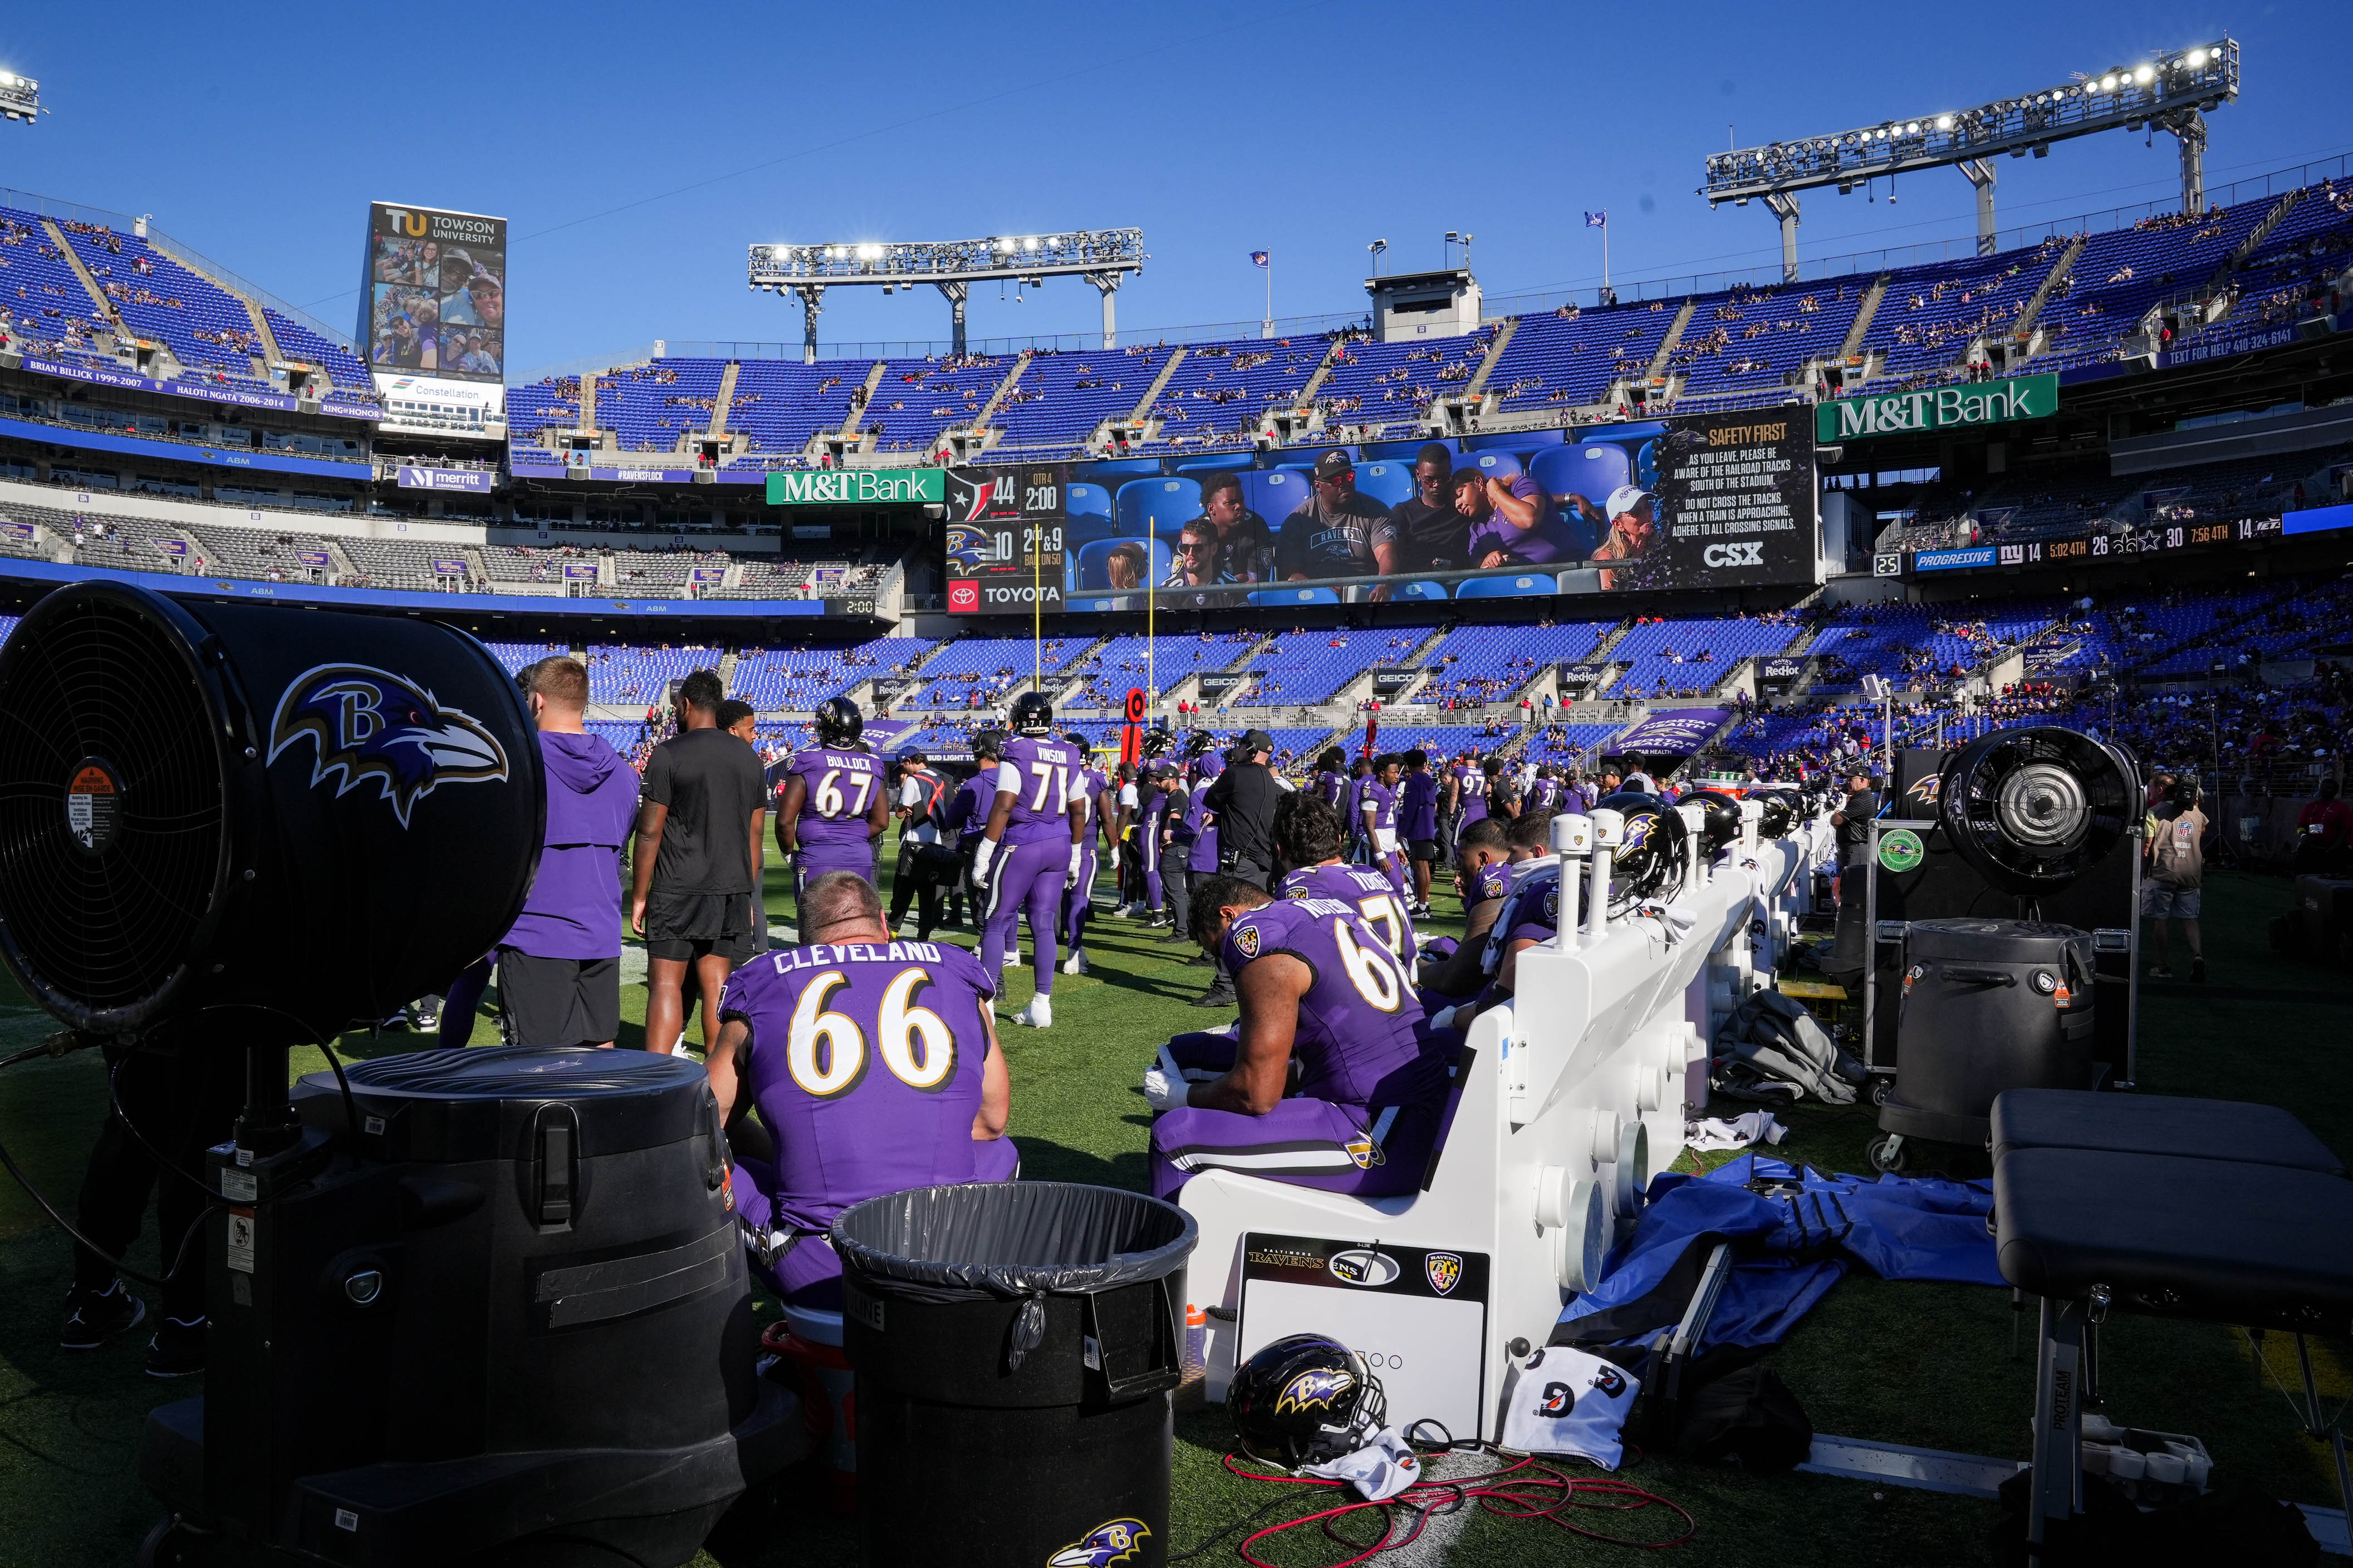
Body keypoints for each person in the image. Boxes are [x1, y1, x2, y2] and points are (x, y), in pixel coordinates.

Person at [707, 872, 1014, 1309]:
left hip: (827, 1260)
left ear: (807, 941)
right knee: (1003, 1152)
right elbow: (991, 1121)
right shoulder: (954, 970)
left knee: (707, 1165)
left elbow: (701, 1121)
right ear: (884, 924)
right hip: (952, 1247)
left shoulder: (765, 982)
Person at [1142, 874, 1444, 1199]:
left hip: (1385, 1125)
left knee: (1174, 1139)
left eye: (1217, 947)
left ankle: (1166, 1246)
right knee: (1182, 1057)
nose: (1223, 959)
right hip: (1395, 1093)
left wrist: (1180, 1096)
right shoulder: (1325, 909)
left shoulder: (1255, 934)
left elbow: (1256, 1095)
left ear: (1228, 916)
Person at [60, 1020, 242, 1375]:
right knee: (196, 1140)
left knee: (129, 1131)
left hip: (122, 990)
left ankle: (92, 1295)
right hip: (199, 995)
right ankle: (187, 1321)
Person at [498, 656, 638, 1049]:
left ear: (537, 702)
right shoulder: (625, 774)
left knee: (537, 1071)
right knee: (600, 1060)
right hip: (602, 935)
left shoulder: (518, 764)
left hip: (536, 937)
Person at [631, 669, 767, 1056]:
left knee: (666, 984)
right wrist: (747, 890)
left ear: (686, 705)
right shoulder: (750, 759)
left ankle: (656, 1081)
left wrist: (640, 895)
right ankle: (714, 1081)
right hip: (730, 887)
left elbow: (650, 832)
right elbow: (755, 834)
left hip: (677, 884)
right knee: (716, 985)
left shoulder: (668, 753)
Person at [972, 691, 1087, 1028]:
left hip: (1023, 843)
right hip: (1060, 843)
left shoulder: (1017, 749)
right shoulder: (1069, 752)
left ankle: (987, 1008)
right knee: (1043, 922)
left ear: (1019, 718)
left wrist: (984, 852)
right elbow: (1080, 808)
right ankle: (1041, 1005)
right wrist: (1077, 853)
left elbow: (1005, 804)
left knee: (996, 920)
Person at [774, 697, 890, 920]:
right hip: (858, 857)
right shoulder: (873, 764)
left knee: (815, 930)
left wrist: (788, 855)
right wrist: (853, 835)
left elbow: (785, 821)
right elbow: (882, 821)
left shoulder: (807, 761)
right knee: (853, 925)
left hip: (817, 856)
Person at [1278, 794, 1416, 968]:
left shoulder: (1302, 883)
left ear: (1279, 849)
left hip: (1365, 990)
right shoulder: (1371, 873)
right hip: (1408, 985)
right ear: (1340, 839)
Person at [1274, 450, 1385, 581]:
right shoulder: (1298, 520)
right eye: (1336, 480)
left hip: (1365, 587)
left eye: (1349, 477)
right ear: (1318, 486)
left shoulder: (1375, 511)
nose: (1344, 484)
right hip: (1317, 593)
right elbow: (1289, 572)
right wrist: (1322, 590)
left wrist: (1385, 582)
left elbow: (1386, 552)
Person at [2144, 779, 2209, 982]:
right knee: (2190, 919)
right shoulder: (2198, 814)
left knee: (2161, 920)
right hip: (2190, 874)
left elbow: (2147, 846)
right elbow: (2201, 833)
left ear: (2161, 790)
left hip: (2164, 872)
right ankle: (2197, 955)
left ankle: (2163, 967)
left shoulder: (2154, 813)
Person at [1373, 443, 1470, 575]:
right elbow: (1390, 553)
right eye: (1429, 479)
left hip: (1462, 579)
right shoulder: (1403, 513)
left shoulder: (1463, 506)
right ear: (1418, 475)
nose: (1436, 485)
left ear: (1450, 472)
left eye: (1443, 478)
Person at [1061, 736, 1112, 974]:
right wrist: (1114, 848)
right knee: (1079, 899)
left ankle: (1074, 948)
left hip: (1056, 844)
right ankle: (1072, 955)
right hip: (1083, 846)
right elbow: (1107, 817)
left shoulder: (1056, 773)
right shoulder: (1096, 779)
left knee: (1054, 900)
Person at [889, 749, 952, 940]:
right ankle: (924, 936)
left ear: (909, 762)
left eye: (904, 766)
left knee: (903, 894)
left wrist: (904, 789)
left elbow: (901, 810)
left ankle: (892, 932)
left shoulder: (912, 781)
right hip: (935, 842)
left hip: (914, 842)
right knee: (928, 895)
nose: (904, 771)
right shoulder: (941, 780)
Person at [1453, 464, 1567, 567]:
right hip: (1525, 583)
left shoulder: (1519, 486)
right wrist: (1489, 561)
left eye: (1460, 494)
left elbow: (1529, 520)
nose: (1457, 504)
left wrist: (1496, 492)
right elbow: (1478, 566)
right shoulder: (1477, 529)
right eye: (1454, 502)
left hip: (1566, 567)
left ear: (1478, 483)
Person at [1195, 471, 1276, 582]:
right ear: (1211, 509)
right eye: (1230, 503)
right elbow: (1192, 582)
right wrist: (1233, 581)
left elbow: (1256, 583)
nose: (1239, 506)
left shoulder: (1256, 526)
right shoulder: (1196, 533)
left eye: (1241, 500)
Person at [1591, 485, 1665, 591]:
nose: (1646, 514)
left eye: (1648, 507)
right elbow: (1609, 603)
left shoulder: (1664, 546)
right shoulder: (1607, 559)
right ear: (1618, 524)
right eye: (1636, 511)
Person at [1398, 748, 1440, 917]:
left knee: (1419, 866)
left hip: (1417, 828)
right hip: (1428, 825)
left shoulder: (1413, 781)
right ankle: (1425, 903)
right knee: (1424, 867)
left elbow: (1410, 809)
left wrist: (1402, 832)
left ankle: (1422, 907)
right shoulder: (1428, 779)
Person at [2293, 777, 2352, 874]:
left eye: (2328, 788)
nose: (2324, 790)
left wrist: (2335, 846)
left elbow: (2345, 829)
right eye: (2322, 787)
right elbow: (2300, 825)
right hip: (2311, 846)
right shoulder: (2311, 807)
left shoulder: (2342, 808)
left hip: (2332, 848)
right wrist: (2303, 835)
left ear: (2335, 792)